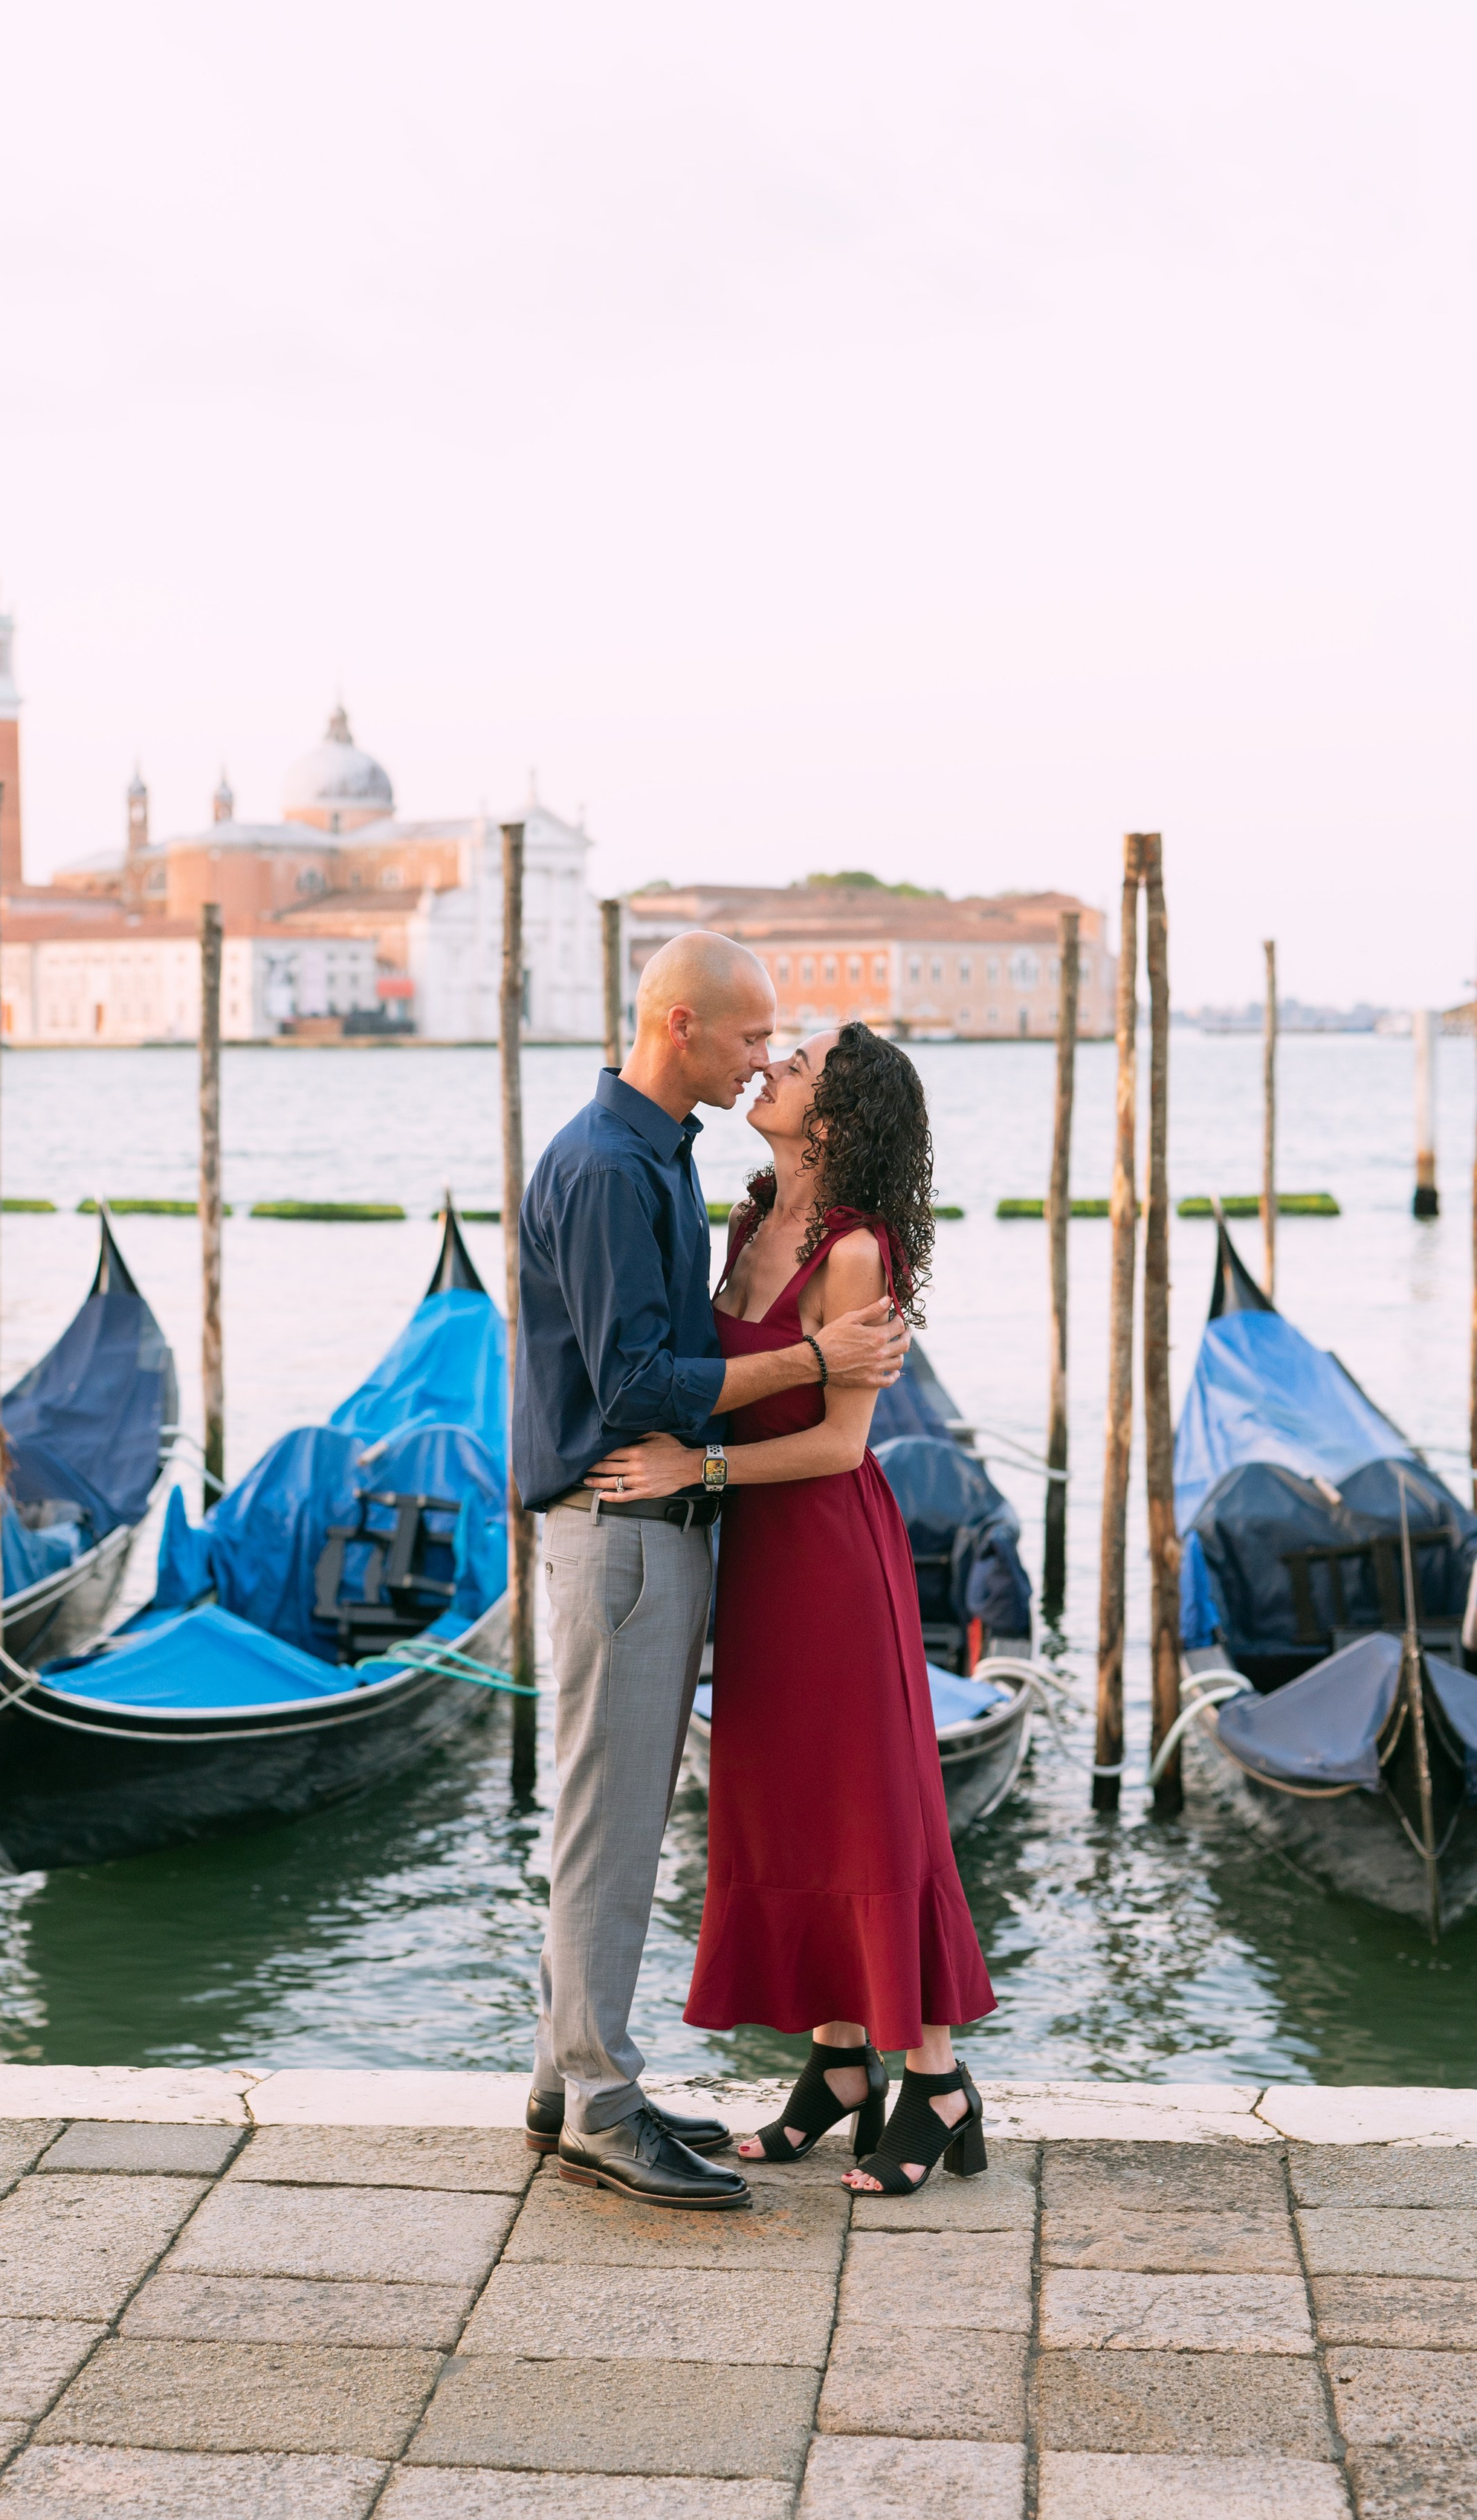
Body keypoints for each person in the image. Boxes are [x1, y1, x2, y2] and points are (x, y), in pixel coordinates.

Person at [514, 935, 911, 2209]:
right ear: (679, 1024)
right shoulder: (610, 1168)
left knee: (606, 1805)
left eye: (775, 1051)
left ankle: (565, 2080)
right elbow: (638, 1387)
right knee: (614, 1818)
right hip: (626, 1519)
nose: (759, 1066)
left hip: (645, 1520)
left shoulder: (655, 1159)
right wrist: (814, 1359)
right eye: (749, 1041)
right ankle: (600, 2100)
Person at [589, 1021, 995, 2197]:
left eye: (800, 1063)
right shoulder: (749, 1216)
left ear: (839, 1115)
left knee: (874, 1811)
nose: (771, 1066)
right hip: (755, 1562)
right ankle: (837, 2071)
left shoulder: (856, 1253)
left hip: (829, 1556)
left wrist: (693, 1472)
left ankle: (937, 2081)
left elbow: (836, 1443)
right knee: (785, 1808)